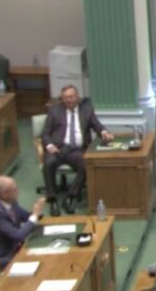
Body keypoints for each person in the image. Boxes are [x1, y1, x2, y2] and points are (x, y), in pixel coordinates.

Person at [42, 85, 113, 216]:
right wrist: (50, 146)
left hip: (77, 150)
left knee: (86, 165)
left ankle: (70, 197)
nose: (68, 100)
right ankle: (52, 200)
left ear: (77, 97)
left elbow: (97, 125)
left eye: (71, 97)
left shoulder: (86, 110)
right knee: (48, 164)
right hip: (58, 148)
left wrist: (104, 132)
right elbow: (45, 133)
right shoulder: (54, 111)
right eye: (65, 97)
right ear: (62, 99)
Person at [0, 177, 45, 268]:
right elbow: (18, 236)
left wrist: (37, 210)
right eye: (14, 189)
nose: (18, 191)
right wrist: (35, 215)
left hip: (15, 246)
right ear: (4, 194)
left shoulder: (11, 202)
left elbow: (26, 217)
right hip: (2, 255)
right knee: (41, 262)